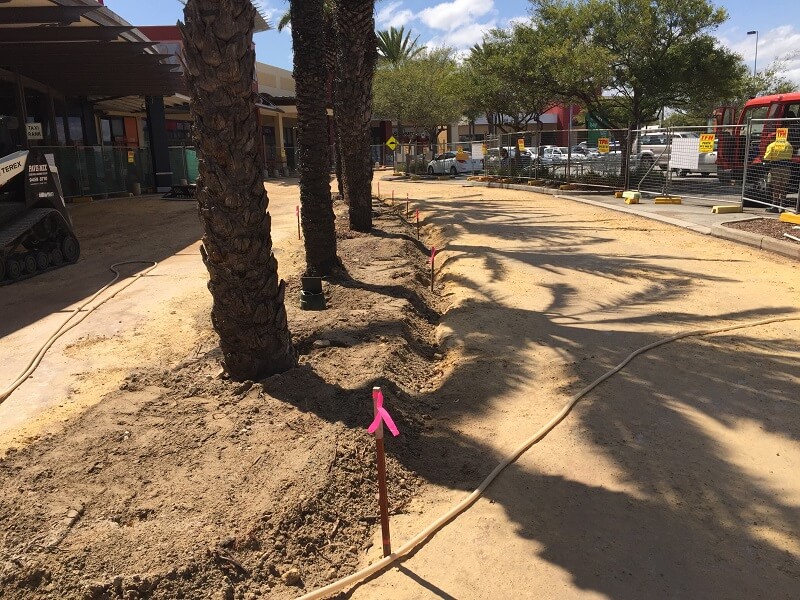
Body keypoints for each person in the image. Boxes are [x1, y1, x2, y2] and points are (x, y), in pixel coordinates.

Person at [763, 131, 794, 212]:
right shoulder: (789, 145)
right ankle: (782, 207)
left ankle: (775, 206)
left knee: (776, 188)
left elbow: (767, 158)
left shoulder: (772, 145)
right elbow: (791, 156)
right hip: (787, 168)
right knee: (783, 188)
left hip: (775, 169)